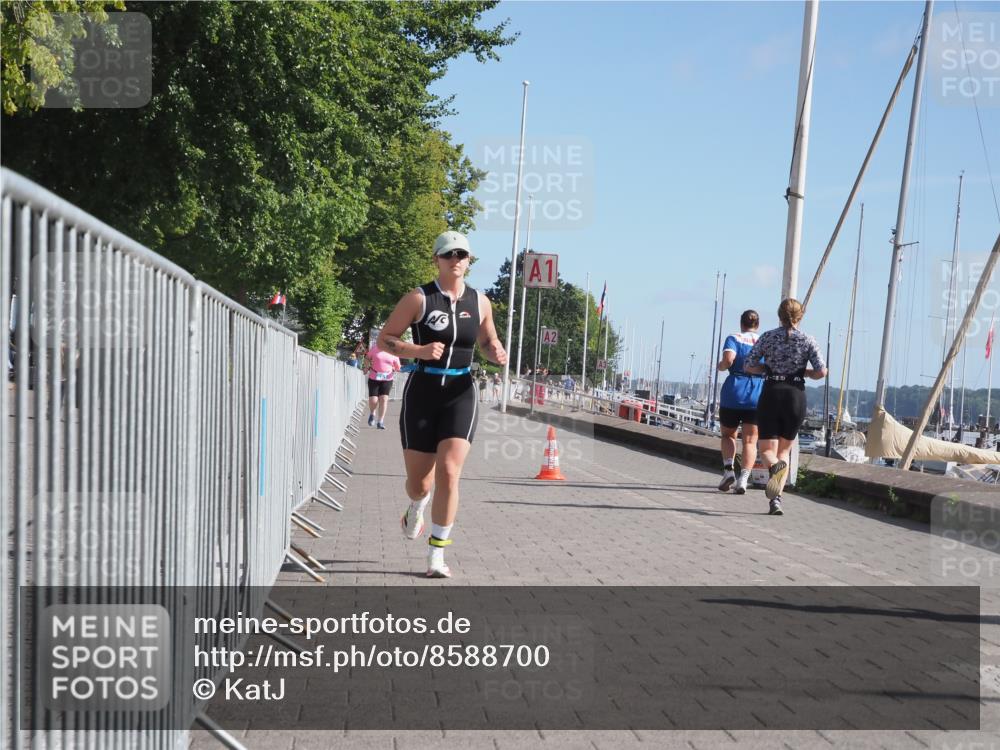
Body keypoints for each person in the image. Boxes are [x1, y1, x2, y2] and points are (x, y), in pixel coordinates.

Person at [377, 230, 507, 578]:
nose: (456, 261)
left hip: (461, 391)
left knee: (450, 472)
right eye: (449, 255)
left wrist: (494, 350)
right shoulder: (418, 299)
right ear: (436, 259)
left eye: (462, 255)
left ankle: (436, 556)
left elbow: (486, 337)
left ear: (469, 261)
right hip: (423, 390)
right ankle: (416, 506)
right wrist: (417, 350)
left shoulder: (480, 302)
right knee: (420, 483)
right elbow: (385, 339)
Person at [744, 299, 827, 515]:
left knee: (767, 451)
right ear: (800, 316)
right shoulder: (808, 340)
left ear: (779, 315)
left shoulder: (768, 337)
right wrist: (804, 372)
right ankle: (776, 501)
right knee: (784, 452)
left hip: (772, 392)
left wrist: (767, 368)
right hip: (795, 395)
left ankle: (774, 470)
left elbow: (749, 365)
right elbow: (821, 372)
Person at [716, 310, 763, 494]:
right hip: (756, 393)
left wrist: (720, 366)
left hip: (734, 391)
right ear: (757, 325)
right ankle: (743, 478)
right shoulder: (763, 341)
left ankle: (728, 470)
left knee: (728, 435)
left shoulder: (733, 338)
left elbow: (728, 360)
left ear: (741, 324)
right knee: (750, 441)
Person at [365, 341, 401, 429]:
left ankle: (380, 421)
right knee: (374, 400)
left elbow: (398, 367)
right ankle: (372, 413)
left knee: (384, 399)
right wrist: (366, 367)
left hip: (387, 378)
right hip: (374, 377)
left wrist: (396, 368)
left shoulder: (393, 353)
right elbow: (367, 358)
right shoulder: (375, 349)